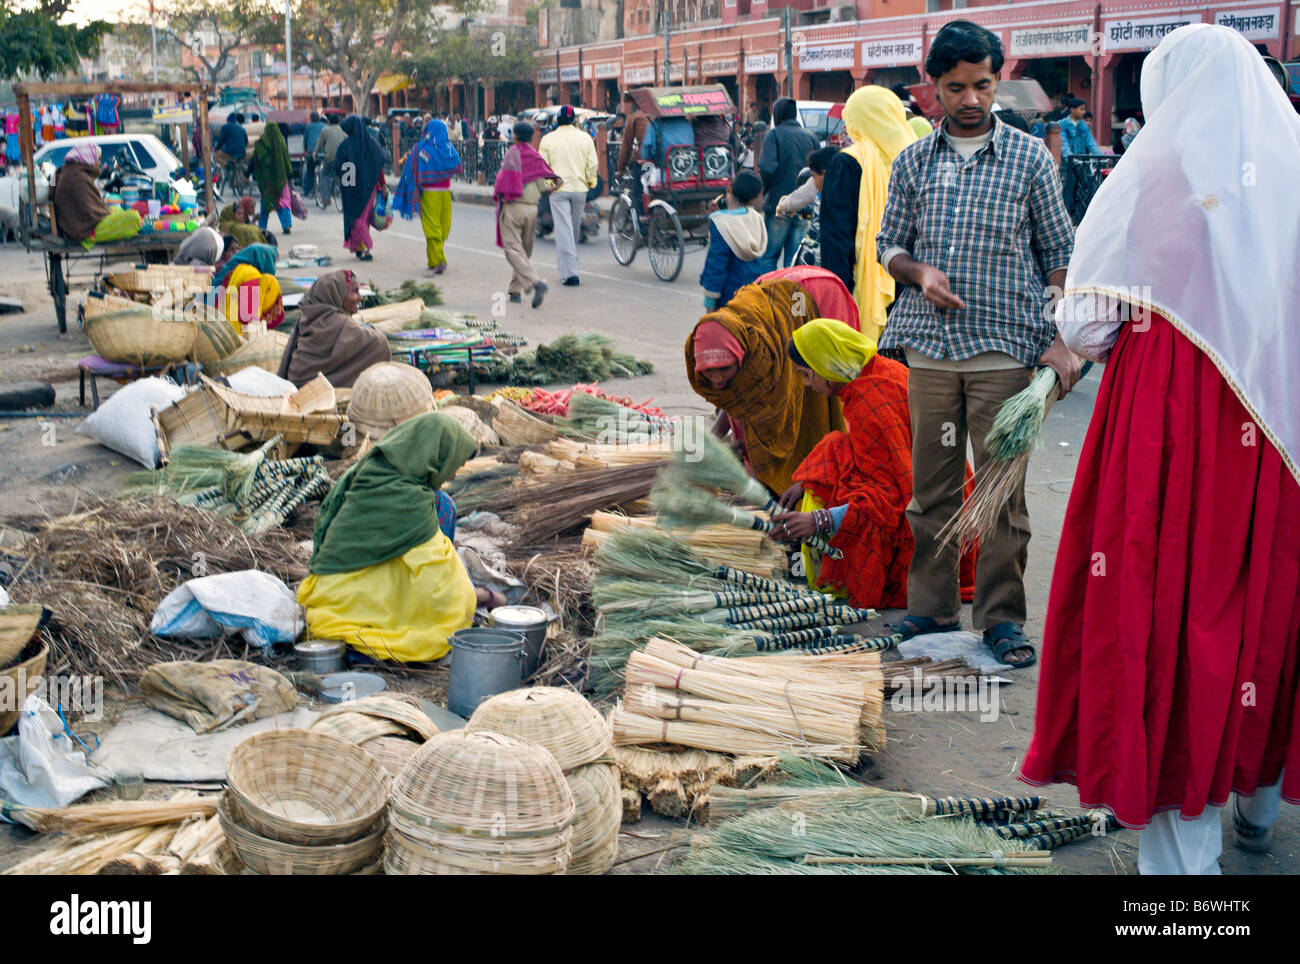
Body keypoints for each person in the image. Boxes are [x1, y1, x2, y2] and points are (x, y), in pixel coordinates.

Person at [1021, 23, 1300, 874]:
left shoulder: (1158, 180)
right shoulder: (1290, 180)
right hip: (1275, 436)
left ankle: (1184, 869)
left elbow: (1086, 321)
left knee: (1172, 612)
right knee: (1258, 612)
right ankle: (1255, 803)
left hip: (1171, 431)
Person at [875, 20, 1080, 668]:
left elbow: (1060, 254)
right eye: (956, 87)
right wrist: (918, 273)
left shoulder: (1028, 159)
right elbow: (890, 247)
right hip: (930, 354)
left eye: (982, 85)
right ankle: (932, 608)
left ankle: (1000, 620)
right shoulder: (912, 161)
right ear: (932, 87)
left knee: (1000, 494)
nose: (970, 99)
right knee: (931, 492)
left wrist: (1061, 338)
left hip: (1003, 355)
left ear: (997, 80)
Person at [771, 318, 977, 609]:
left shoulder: (869, 400)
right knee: (834, 451)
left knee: (834, 470)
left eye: (806, 375)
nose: (807, 386)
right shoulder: (880, 368)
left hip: (933, 516)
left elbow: (890, 496)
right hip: (955, 499)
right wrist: (807, 480)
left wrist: (818, 520)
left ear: (828, 367)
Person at [298, 412, 505, 663]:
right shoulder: (407, 497)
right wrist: (479, 597)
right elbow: (438, 581)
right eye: (453, 465)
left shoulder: (369, 471)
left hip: (326, 600)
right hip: (350, 607)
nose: (451, 476)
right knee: (447, 606)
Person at [684, 271, 853, 496]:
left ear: (741, 356)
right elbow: (737, 397)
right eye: (707, 372)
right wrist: (715, 434)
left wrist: (755, 489)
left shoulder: (764, 361)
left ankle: (819, 478)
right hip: (777, 295)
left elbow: (761, 414)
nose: (717, 380)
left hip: (815, 298)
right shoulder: (733, 333)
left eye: (724, 369)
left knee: (816, 399)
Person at [820, 85, 918, 341]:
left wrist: (838, 297)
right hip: (912, 288)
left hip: (866, 288)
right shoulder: (917, 157)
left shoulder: (848, 162)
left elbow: (836, 237)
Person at [278, 269, 392, 389]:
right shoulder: (340, 323)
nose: (360, 297)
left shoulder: (307, 318)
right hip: (316, 392)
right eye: (355, 291)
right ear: (336, 294)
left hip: (297, 385)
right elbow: (378, 343)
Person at [493, 120, 557, 308]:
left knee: (513, 250)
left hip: (514, 207)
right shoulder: (536, 156)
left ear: (514, 136)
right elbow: (542, 186)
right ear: (531, 137)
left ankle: (536, 283)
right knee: (524, 252)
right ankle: (515, 290)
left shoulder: (513, 153)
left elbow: (503, 181)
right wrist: (555, 185)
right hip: (532, 209)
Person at [392, 118, 463, 275]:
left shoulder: (420, 149)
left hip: (429, 194)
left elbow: (411, 166)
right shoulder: (449, 149)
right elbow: (458, 166)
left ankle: (435, 260)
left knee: (434, 227)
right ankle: (437, 260)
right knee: (442, 227)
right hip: (445, 193)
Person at [539, 105, 597, 287]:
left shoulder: (548, 139)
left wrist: (549, 185)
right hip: (580, 189)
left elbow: (543, 166)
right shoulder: (586, 138)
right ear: (573, 121)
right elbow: (592, 164)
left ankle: (571, 274)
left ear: (557, 120)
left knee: (564, 232)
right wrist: (589, 182)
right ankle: (570, 268)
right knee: (573, 230)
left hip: (559, 189)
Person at [758, 98, 820, 270]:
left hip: (779, 205)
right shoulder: (811, 136)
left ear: (777, 114)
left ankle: (768, 295)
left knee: (769, 257)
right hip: (805, 208)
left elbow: (767, 167)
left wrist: (767, 192)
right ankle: (791, 296)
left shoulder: (774, 134)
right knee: (794, 262)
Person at [51, 143, 142, 249]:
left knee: (116, 209)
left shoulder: (66, 171)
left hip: (74, 225)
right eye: (97, 159)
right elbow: (91, 211)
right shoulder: (78, 177)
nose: (99, 163)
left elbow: (91, 206)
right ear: (89, 159)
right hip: (84, 230)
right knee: (133, 217)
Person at [699, 171, 767, 310]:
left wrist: (710, 304)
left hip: (729, 299)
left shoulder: (720, 223)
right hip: (754, 294)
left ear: (729, 188)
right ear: (752, 199)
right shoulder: (757, 218)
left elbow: (716, 266)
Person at [335, 115, 386, 262]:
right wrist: (382, 185)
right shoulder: (372, 144)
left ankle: (365, 247)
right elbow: (379, 166)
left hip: (352, 189)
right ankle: (359, 246)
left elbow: (340, 167)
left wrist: (348, 182)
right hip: (369, 188)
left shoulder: (345, 146)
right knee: (362, 219)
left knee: (357, 219)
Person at [777, 145, 837, 268]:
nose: (813, 182)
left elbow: (799, 197)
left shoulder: (823, 188)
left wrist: (782, 205)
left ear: (824, 174)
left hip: (819, 259)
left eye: (814, 177)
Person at [209, 243, 284, 334]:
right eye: (272, 262)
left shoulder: (239, 268)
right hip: (234, 334)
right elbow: (248, 318)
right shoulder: (252, 277)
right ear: (265, 260)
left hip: (217, 323)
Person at [250, 121, 293, 237]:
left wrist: (247, 174)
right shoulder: (281, 144)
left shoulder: (261, 144)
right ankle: (286, 225)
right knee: (283, 203)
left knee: (266, 203)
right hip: (280, 180)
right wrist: (290, 177)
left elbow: (254, 161)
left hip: (267, 181)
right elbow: (286, 161)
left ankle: (262, 226)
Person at [302, 112, 325, 194]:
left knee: (310, 171)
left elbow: (305, 139)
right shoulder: (324, 126)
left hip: (312, 152)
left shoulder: (308, 126)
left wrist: (305, 149)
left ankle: (307, 190)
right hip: (323, 151)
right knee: (324, 171)